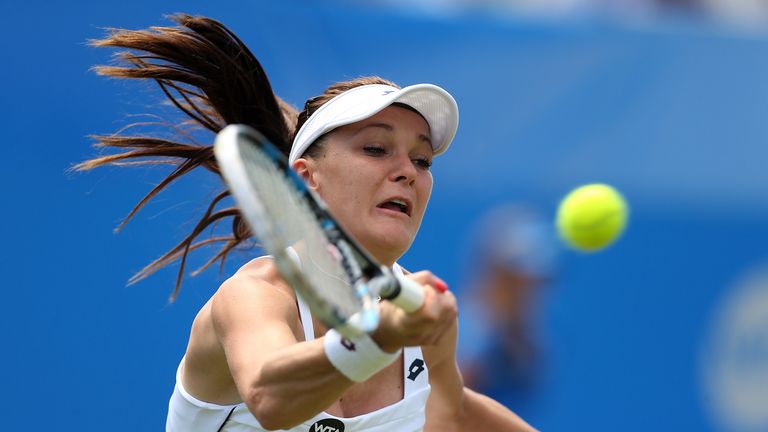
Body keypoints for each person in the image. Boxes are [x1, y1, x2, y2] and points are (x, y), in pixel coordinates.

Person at [79, 14, 537, 432]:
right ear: (305, 179)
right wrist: (379, 338)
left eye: (422, 159)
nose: (408, 171)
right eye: (376, 149)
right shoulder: (255, 298)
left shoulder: (420, 318)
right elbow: (269, 397)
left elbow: (453, 412)